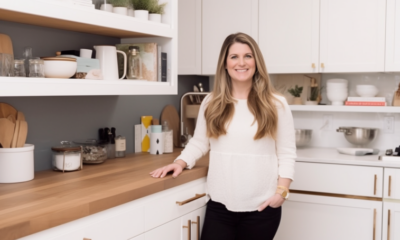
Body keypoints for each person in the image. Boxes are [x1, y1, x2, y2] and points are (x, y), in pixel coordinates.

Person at [150, 32, 296, 240]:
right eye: (234, 57)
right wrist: (180, 162)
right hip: (220, 206)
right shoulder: (211, 102)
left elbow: (287, 152)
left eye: (248, 56)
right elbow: (200, 142)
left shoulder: (276, 104)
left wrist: (281, 192)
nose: (241, 63)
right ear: (225, 64)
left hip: (262, 208)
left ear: (256, 62)